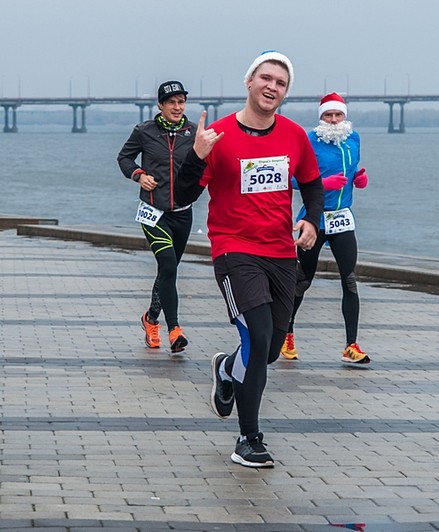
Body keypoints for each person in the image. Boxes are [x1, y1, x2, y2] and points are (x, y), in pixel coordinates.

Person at [173, 50, 324, 468]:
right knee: (257, 340)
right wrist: (196, 157)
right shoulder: (216, 137)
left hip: (281, 253)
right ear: (249, 82)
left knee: (271, 349)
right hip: (234, 250)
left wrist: (312, 220)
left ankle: (225, 369)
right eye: (266, 78)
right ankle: (249, 438)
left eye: (281, 82)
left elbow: (312, 186)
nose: (272, 87)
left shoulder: (294, 136)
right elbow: (183, 197)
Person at [280, 92, 371, 364]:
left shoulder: (353, 139)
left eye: (337, 115)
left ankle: (351, 346)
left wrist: (359, 178)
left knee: (350, 280)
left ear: (345, 116)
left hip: (343, 218)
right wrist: (323, 183)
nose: (333, 120)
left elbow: (351, 171)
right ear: (320, 117)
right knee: (303, 280)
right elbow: (292, 180)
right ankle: (287, 333)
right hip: (314, 219)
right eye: (328, 116)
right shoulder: (309, 141)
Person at [117, 80, 196, 355]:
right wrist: (139, 175)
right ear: (161, 106)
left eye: (181, 101)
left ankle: (150, 318)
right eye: (171, 102)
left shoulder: (194, 133)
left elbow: (207, 166)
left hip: (183, 214)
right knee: (168, 265)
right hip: (153, 212)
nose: (177, 106)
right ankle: (174, 329)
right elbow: (124, 158)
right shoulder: (144, 132)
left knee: (167, 271)